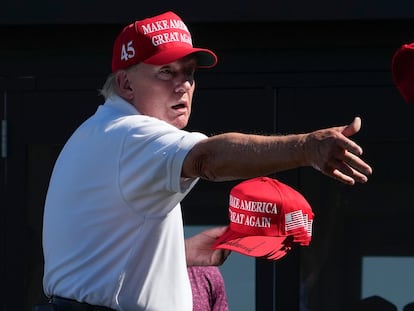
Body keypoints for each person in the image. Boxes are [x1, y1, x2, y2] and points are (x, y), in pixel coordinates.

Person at [40, 10, 372, 311]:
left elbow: (94, 261)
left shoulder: (97, 133)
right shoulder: (131, 135)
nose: (182, 85)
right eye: (165, 72)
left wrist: (172, 256)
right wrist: (306, 147)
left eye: (189, 73)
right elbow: (208, 159)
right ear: (126, 83)